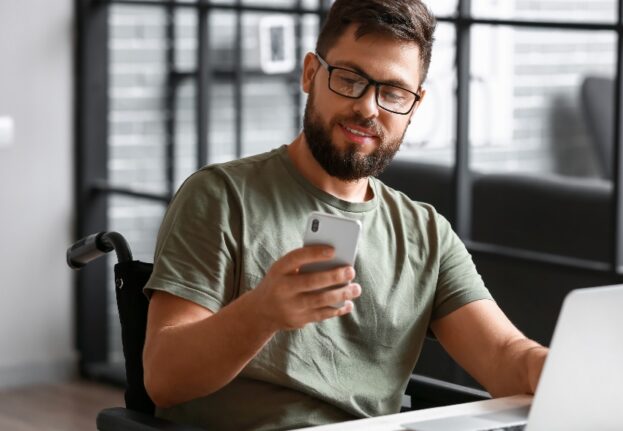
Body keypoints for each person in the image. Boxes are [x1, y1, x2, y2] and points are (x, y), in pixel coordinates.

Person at [141, 0, 548, 429]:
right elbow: (164, 379)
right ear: (311, 75)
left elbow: (504, 356)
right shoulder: (221, 198)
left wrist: (556, 366)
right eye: (350, 79)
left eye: (393, 93)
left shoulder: (426, 234)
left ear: (415, 104)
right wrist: (260, 313)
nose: (369, 108)